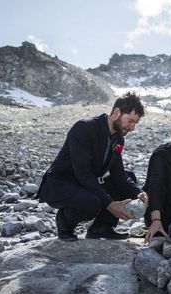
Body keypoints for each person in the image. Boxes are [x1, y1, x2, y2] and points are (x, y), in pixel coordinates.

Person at [36, 92, 148, 241]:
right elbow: (83, 172)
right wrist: (109, 204)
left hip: (84, 183)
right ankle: (64, 223)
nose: (132, 128)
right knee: (92, 203)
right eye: (130, 121)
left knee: (129, 179)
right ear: (116, 113)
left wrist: (138, 193)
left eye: (135, 123)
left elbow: (118, 174)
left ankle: (101, 228)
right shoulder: (85, 127)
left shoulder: (118, 138)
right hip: (60, 185)